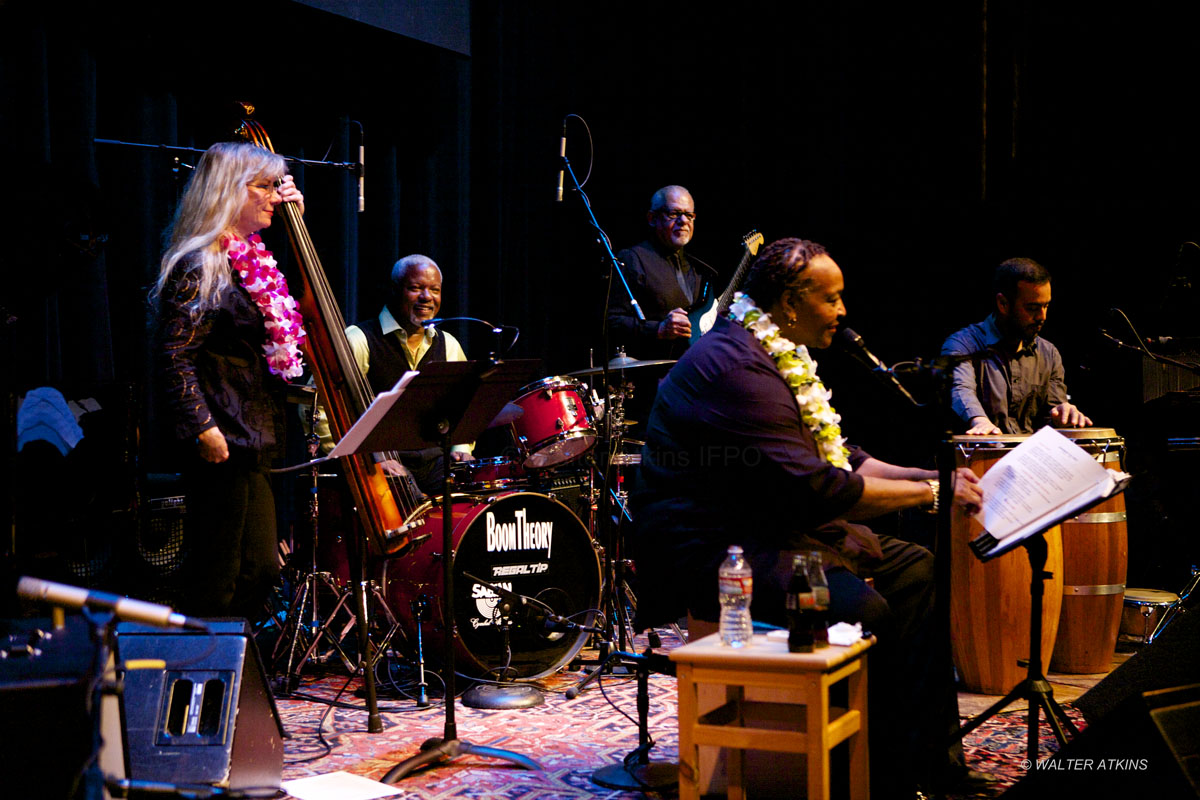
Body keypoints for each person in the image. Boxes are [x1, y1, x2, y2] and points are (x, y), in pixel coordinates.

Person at [630, 238, 987, 798]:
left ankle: (931, 763)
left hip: (772, 525)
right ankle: (870, 777)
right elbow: (819, 489)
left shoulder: (777, 353)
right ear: (791, 304)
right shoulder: (735, 366)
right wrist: (930, 495)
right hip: (716, 547)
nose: (843, 312)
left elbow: (846, 455)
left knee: (916, 568)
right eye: (833, 299)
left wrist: (926, 477)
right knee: (864, 609)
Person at [154, 141, 306, 618]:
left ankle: (232, 667)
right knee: (217, 573)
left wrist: (300, 229)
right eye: (261, 186)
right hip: (220, 437)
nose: (273, 197)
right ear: (225, 191)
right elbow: (174, 354)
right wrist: (202, 426)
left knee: (262, 566)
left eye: (274, 187)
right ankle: (203, 675)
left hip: (253, 435)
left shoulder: (250, 258)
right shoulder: (200, 263)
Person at [314, 254, 472, 494]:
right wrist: (360, 460)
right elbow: (316, 406)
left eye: (435, 290)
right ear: (395, 290)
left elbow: (465, 406)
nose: (426, 297)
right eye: (415, 288)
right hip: (380, 466)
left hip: (435, 465)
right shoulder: (359, 339)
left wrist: (461, 448)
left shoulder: (448, 344)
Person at [942, 257, 1091, 434]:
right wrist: (979, 420)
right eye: (1033, 308)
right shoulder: (963, 344)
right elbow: (961, 388)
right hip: (982, 457)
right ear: (1003, 304)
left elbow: (1052, 410)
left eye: (1046, 306)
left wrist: (1063, 414)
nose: (1042, 317)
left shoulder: (1049, 353)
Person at [607, 185, 716, 361]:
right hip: (652, 375)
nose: (683, 221)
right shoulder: (632, 258)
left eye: (689, 215)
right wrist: (658, 329)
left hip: (693, 370)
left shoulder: (697, 268)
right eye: (674, 214)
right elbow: (611, 321)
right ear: (652, 218)